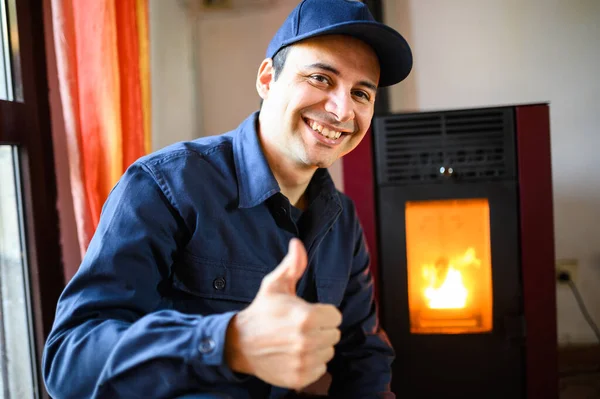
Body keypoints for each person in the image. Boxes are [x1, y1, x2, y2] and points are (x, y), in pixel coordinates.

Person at [42, 0, 412, 398]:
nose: (342, 110)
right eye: (321, 78)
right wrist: (230, 343)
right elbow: (70, 361)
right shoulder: (162, 186)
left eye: (361, 93)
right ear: (268, 79)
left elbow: (365, 356)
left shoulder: (343, 218)